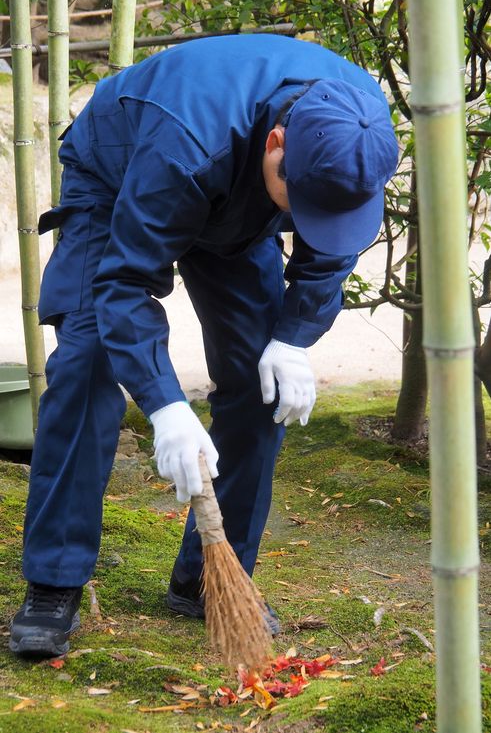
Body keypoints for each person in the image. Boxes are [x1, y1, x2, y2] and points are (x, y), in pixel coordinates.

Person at [9, 34, 398, 657]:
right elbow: (125, 283)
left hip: (239, 208)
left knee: (257, 381)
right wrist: (164, 405)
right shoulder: (185, 143)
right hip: (120, 179)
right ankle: (54, 579)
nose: (308, 219)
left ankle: (211, 579)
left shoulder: (355, 133)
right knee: (87, 363)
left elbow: (335, 239)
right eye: (301, 203)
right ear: (278, 145)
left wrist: (293, 338)